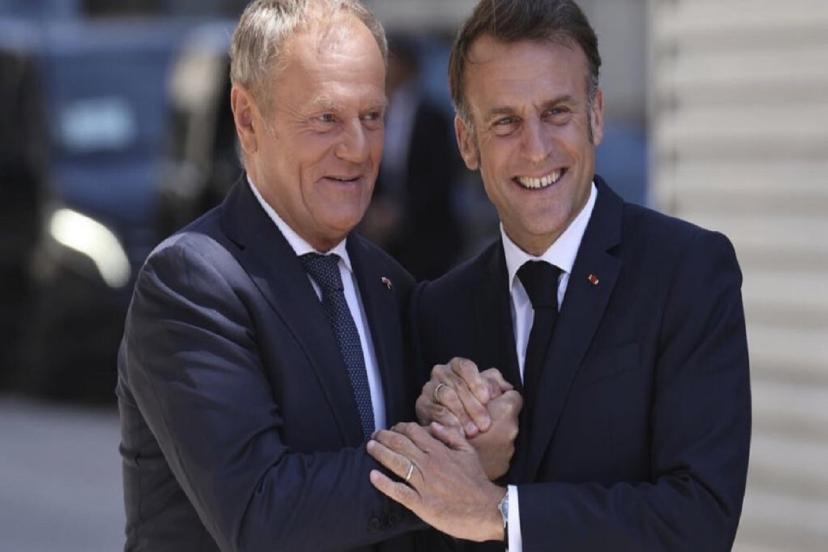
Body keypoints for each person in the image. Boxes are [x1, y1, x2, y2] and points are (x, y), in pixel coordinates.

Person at [117, 1, 524, 550]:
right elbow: (262, 513)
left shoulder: (389, 285)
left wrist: (469, 413)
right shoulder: (190, 284)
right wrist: (444, 461)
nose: (357, 149)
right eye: (325, 118)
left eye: (372, 117)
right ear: (247, 118)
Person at [366, 1, 751, 550]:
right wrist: (458, 450)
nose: (536, 149)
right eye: (505, 121)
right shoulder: (437, 310)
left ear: (596, 115)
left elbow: (700, 520)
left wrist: (502, 513)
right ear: (467, 141)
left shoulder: (688, 272)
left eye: (556, 112)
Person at [359, 34, 463, 280]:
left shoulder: (432, 117)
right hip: (386, 241)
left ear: (406, 65)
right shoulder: (375, 113)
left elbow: (440, 176)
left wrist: (401, 212)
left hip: (428, 235)